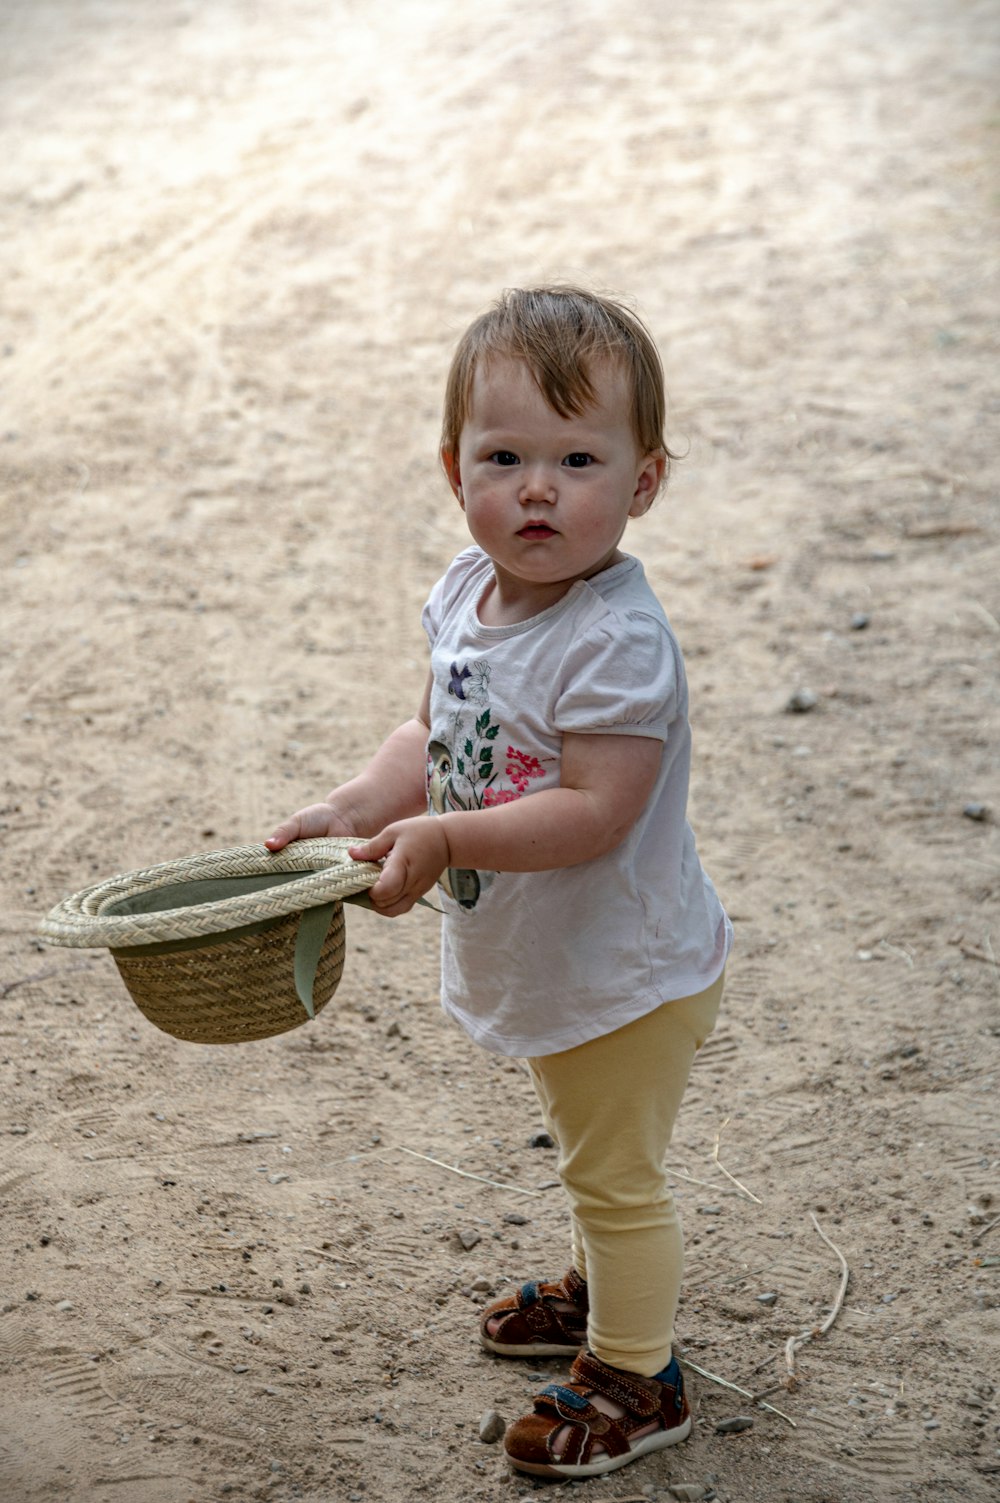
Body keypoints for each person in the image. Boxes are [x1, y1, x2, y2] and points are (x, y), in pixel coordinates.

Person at [266, 285, 732, 1481]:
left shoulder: (613, 639)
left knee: (613, 1174)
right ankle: (598, 1296)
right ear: (451, 467)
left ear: (642, 483)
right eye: (505, 455)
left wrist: (449, 840)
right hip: (554, 949)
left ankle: (640, 1372)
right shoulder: (463, 597)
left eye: (579, 459)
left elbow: (594, 810)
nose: (538, 487)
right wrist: (365, 804)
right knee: (585, 1142)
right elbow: (433, 728)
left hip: (624, 966)